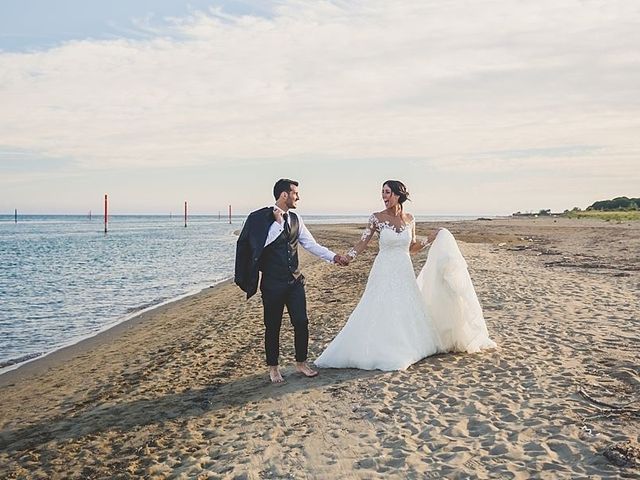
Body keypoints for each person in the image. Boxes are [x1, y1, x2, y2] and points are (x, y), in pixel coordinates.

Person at [315, 180, 495, 371]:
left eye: (387, 192)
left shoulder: (410, 218)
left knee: (406, 306)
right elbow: (362, 243)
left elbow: (412, 248)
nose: (384, 196)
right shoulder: (376, 218)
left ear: (398, 194)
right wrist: (347, 257)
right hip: (383, 270)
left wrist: (430, 239)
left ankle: (410, 345)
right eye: (382, 192)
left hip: (404, 269)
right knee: (379, 306)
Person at [235, 179, 348, 383]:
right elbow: (258, 246)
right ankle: (273, 368)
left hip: (295, 281)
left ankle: (301, 363)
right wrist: (278, 224)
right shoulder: (261, 219)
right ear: (284, 195)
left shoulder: (296, 219)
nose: (298, 197)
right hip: (272, 283)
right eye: (295, 193)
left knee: (301, 322)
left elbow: (311, 245)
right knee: (273, 326)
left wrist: (334, 257)